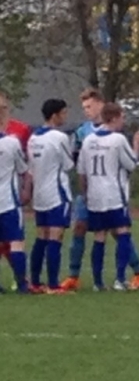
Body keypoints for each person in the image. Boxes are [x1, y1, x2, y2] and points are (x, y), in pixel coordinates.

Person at [62, 88, 139, 291]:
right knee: (109, 230)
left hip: (94, 194)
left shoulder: (97, 137)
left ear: (101, 106)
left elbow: (82, 169)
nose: (86, 111)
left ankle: (131, 274)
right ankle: (102, 278)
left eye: (89, 106)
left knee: (105, 234)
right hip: (107, 194)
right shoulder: (86, 133)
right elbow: (130, 164)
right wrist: (137, 146)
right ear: (116, 117)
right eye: (84, 107)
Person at [26, 99, 75, 293]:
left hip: (40, 194)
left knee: (41, 237)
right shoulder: (59, 137)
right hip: (57, 193)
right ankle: (53, 284)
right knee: (56, 237)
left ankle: (35, 282)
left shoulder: (33, 138)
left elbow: (31, 167)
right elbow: (68, 164)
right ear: (54, 115)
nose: (65, 116)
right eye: (63, 113)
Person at [0, 90, 31, 273]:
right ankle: (22, 283)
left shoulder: (21, 130)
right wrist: (27, 187)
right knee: (16, 241)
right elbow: (24, 169)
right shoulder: (11, 142)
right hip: (8, 201)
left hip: (9, 198)